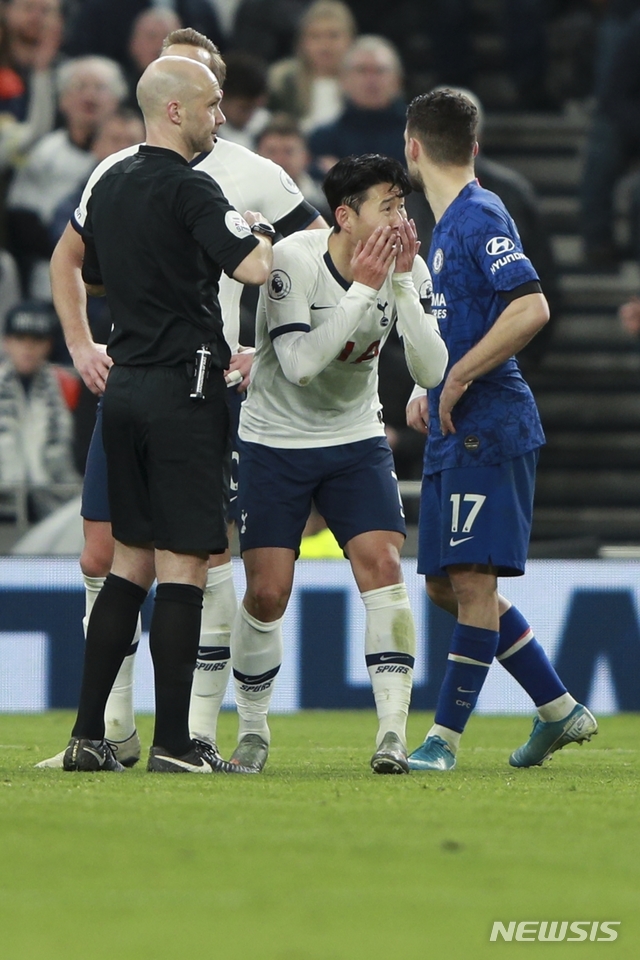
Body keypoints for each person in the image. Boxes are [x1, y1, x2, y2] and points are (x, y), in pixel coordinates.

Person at [36, 27, 327, 771]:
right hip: (186, 388)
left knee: (125, 564)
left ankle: (87, 737)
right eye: (209, 105)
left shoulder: (112, 180)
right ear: (172, 111)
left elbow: (87, 267)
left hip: (124, 384)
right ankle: (175, 742)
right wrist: (258, 234)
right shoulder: (195, 185)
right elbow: (258, 267)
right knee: (185, 567)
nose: (220, 117)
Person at [230, 153, 448, 774]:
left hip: (354, 440)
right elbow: (299, 367)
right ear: (345, 216)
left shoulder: (408, 267)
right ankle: (252, 729)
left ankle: (391, 734)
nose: (401, 218)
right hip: (275, 440)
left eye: (403, 204)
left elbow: (432, 372)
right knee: (268, 593)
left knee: (382, 564)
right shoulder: (294, 262)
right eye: (389, 205)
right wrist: (362, 292)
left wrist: (400, 284)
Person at [403, 89, 598, 772]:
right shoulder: (448, 223)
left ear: (413, 148)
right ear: (474, 145)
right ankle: (558, 709)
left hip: (489, 427)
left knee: (471, 581)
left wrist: (457, 379)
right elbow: (460, 323)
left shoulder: (479, 214)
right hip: (456, 429)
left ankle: (443, 740)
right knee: (441, 585)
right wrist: (426, 382)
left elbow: (531, 307)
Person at [6, 55, 127, 296]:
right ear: (62, 100)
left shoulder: (133, 152)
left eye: (100, 88)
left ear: (117, 100)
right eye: (80, 87)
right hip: (51, 281)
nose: (90, 96)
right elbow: (21, 218)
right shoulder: (44, 152)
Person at [0, 299, 80, 522]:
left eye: (36, 340)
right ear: (6, 342)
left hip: (58, 508)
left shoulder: (69, 385)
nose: (28, 347)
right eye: (20, 338)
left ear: (48, 344)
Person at [308, 35, 406, 173]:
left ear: (397, 81)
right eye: (362, 70)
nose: (371, 80)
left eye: (380, 71)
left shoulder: (417, 138)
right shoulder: (323, 140)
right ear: (343, 80)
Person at [267, 0, 355, 134]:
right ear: (302, 42)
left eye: (333, 35)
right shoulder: (284, 84)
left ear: (350, 39)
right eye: (315, 36)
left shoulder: (362, 86)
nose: (325, 45)